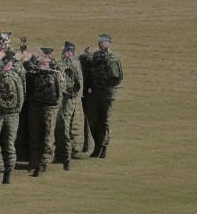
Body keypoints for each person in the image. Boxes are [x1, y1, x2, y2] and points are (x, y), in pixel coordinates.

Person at [0, 52, 26, 186]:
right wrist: (16, 111)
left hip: (0, 114)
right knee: (9, 144)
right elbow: (22, 96)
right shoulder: (17, 77)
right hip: (14, 115)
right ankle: (8, 173)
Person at [25, 48, 63, 177]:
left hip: (49, 108)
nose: (43, 63)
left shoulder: (56, 74)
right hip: (36, 105)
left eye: (45, 61)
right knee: (34, 135)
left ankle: (44, 163)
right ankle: (34, 162)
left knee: (47, 137)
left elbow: (60, 93)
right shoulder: (35, 73)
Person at [85, 34, 124, 158]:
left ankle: (103, 147)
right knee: (93, 119)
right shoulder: (95, 57)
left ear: (109, 44)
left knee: (104, 120)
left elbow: (119, 77)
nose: (102, 44)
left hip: (107, 93)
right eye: (100, 42)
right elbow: (91, 72)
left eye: (104, 42)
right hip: (95, 91)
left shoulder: (114, 58)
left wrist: (109, 87)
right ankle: (97, 145)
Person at [56, 42, 83, 170]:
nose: (66, 54)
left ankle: (66, 155)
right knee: (63, 125)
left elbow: (78, 84)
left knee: (65, 125)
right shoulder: (63, 63)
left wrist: (70, 94)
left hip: (69, 99)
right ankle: (65, 153)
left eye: (68, 52)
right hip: (64, 98)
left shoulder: (73, 65)